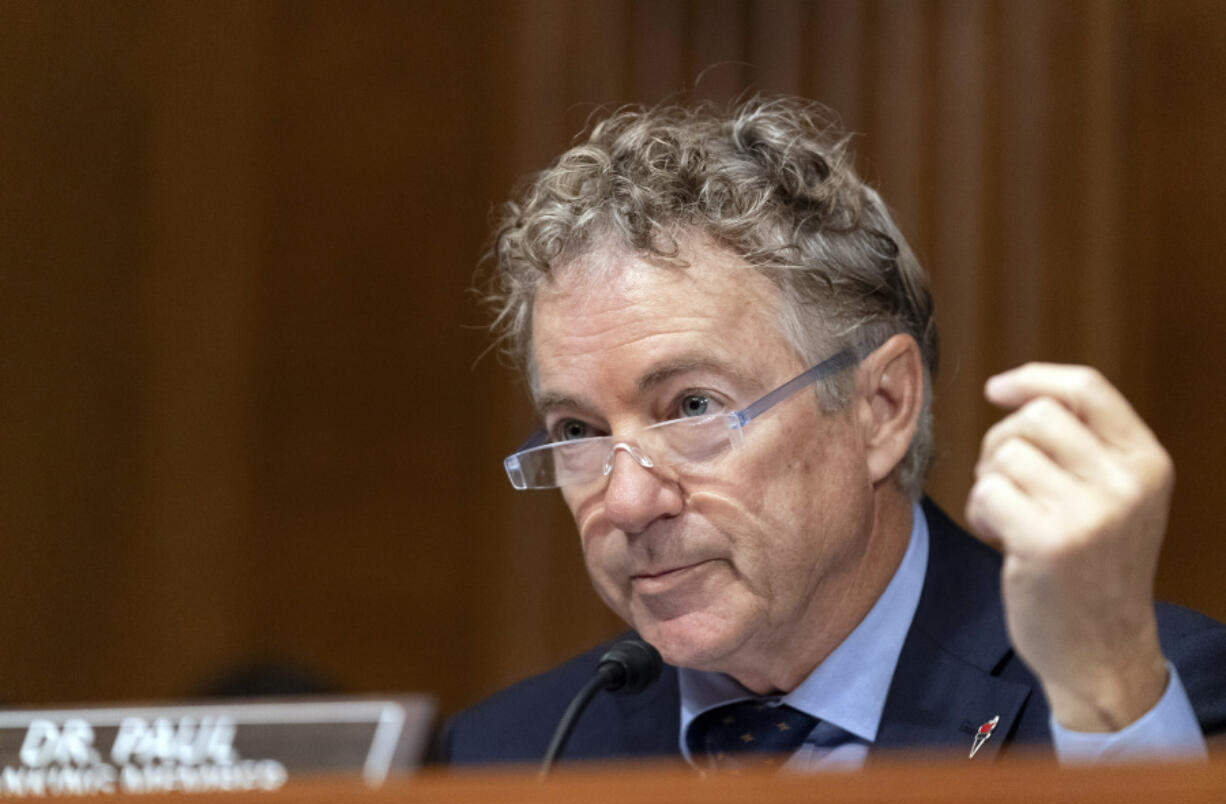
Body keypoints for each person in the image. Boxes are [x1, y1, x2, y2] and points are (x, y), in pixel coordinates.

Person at [435, 96, 1226, 769]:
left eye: (693, 407)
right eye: (577, 427)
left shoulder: (1141, 701)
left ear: (881, 407)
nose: (631, 499)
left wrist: (1107, 693)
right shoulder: (514, 753)